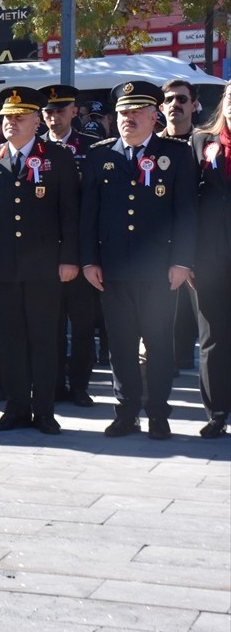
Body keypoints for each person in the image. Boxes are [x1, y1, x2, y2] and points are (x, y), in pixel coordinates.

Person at [81, 81, 198, 440]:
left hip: (159, 271)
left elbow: (186, 212)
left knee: (160, 345)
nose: (127, 118)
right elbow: (90, 213)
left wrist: (181, 260)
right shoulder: (101, 155)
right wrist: (88, 260)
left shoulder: (175, 154)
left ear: (153, 115)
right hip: (113, 269)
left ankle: (159, 414)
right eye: (121, 112)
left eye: (135, 112)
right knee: (121, 346)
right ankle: (126, 411)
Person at [0, 87, 79, 435]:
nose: (11, 123)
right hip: (3, 267)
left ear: (36, 121)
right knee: (11, 341)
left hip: (45, 267)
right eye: (7, 118)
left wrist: (69, 259)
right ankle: (16, 408)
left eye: (19, 118)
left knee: (44, 340)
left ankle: (44, 410)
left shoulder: (58, 157)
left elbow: (70, 214)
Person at [40, 84, 99, 407]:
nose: (53, 117)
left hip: (81, 247)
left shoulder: (92, 147)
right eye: (48, 112)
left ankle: (79, 385)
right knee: (50, 325)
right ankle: (55, 383)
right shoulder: (34, 148)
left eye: (60, 110)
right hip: (46, 252)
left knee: (82, 325)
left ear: (74, 111)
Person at [190, 82, 231, 438]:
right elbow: (187, 203)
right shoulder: (202, 142)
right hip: (209, 258)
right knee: (213, 338)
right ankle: (217, 413)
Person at [159, 79, 201, 372]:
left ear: (195, 105)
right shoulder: (153, 144)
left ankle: (185, 358)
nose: (176, 104)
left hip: (199, 241)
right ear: (161, 107)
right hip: (159, 243)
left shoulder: (206, 143)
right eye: (170, 99)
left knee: (195, 309)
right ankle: (165, 363)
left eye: (183, 99)